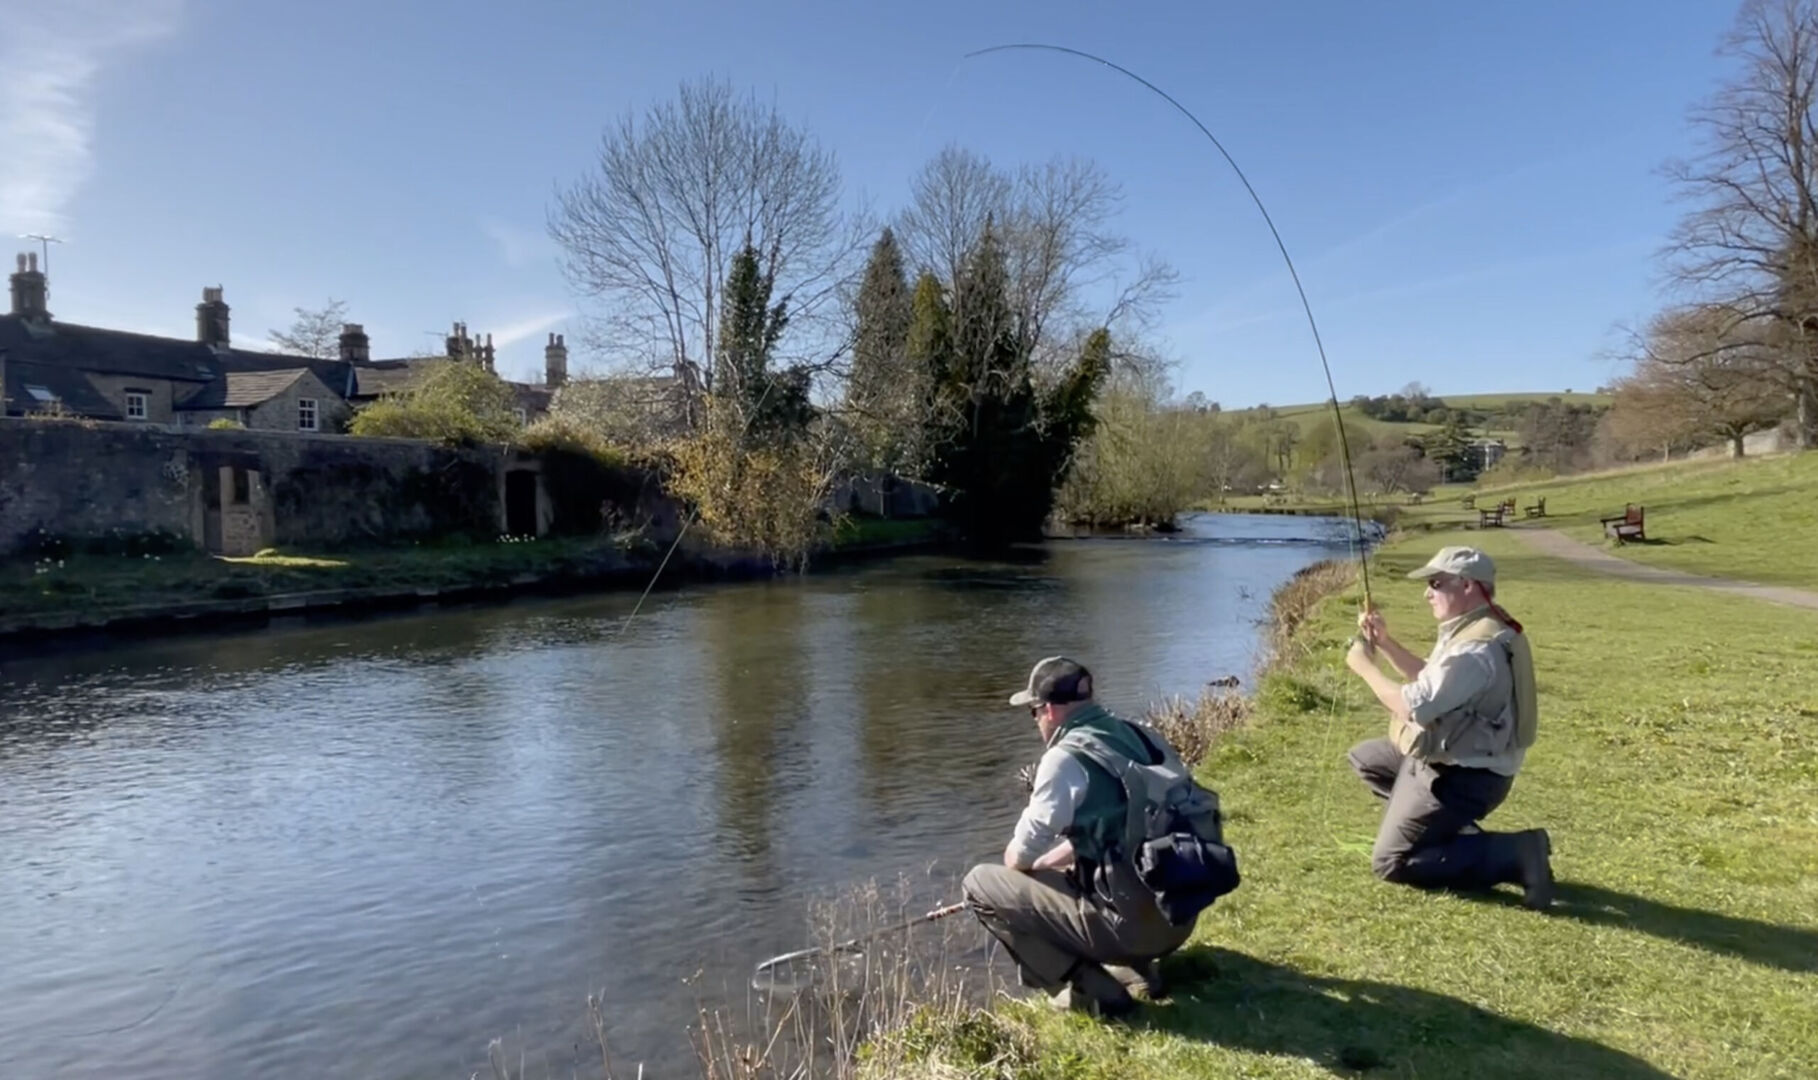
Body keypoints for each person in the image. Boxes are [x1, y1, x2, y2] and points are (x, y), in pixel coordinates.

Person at [961, 656, 1201, 1017]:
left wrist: (1033, 874)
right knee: (1101, 872)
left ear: (1048, 710)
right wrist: (1052, 863)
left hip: (1134, 929)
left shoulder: (1064, 759)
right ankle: (1138, 971)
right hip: (1181, 919)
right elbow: (1126, 826)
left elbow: (1017, 857)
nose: (1036, 721)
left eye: (1032, 712)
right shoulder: (1139, 734)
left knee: (979, 884)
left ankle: (1092, 992)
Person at [1344, 545, 1554, 909]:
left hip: (1466, 779)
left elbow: (1412, 706)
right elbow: (1430, 678)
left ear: (1469, 585)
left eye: (1436, 584)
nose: (1427, 593)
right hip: (1453, 761)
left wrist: (1364, 666)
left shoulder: (1476, 649)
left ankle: (1517, 852)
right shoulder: (1477, 626)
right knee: (1366, 759)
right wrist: (1385, 643)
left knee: (1390, 862)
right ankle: (1446, 830)